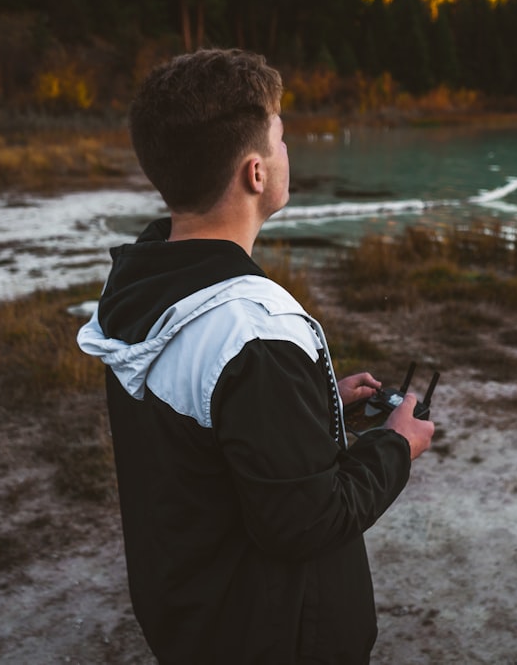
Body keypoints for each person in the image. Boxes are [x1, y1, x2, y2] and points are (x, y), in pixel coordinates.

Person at [76, 48, 434, 664]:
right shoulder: (252, 332)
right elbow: (306, 522)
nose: (288, 150)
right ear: (255, 173)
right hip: (273, 640)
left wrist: (313, 405)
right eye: (282, 137)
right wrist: (397, 445)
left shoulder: (140, 282)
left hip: (194, 618)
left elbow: (200, 440)